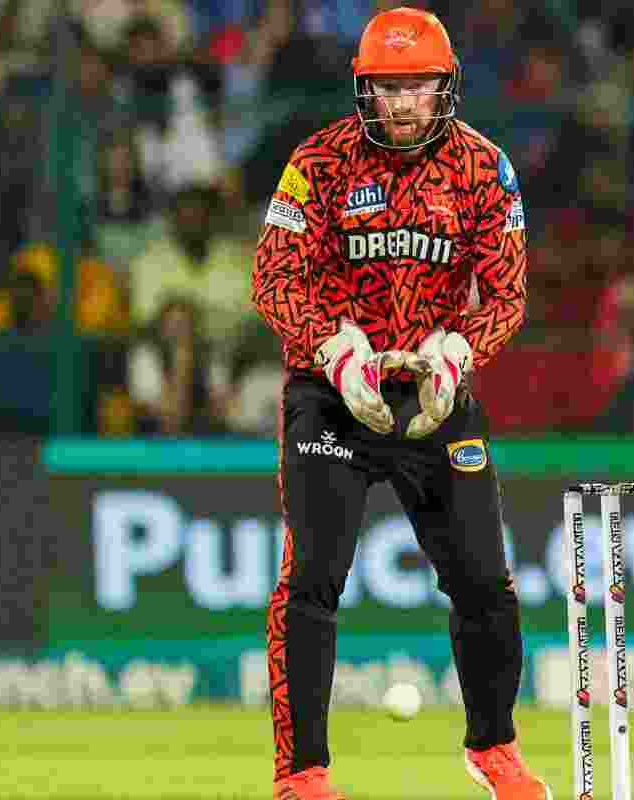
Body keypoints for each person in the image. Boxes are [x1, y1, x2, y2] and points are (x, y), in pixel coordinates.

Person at [249, 8, 543, 800]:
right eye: (387, 87)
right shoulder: (317, 163)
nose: (403, 104)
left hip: (436, 397)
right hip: (333, 394)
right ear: (363, 87)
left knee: (485, 581)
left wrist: (455, 352)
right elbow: (274, 278)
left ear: (444, 86)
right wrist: (338, 352)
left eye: (417, 86)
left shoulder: (486, 167)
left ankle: (495, 748)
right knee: (311, 581)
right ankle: (302, 773)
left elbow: (507, 295)